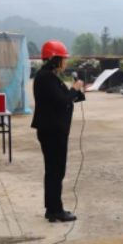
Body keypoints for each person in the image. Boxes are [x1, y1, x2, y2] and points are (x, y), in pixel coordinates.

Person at [32, 40, 85, 223]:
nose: (65, 62)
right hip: (53, 131)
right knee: (56, 171)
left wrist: (76, 91)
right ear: (55, 60)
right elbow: (62, 102)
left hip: (52, 129)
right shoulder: (47, 77)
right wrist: (74, 89)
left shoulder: (48, 76)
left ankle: (52, 209)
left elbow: (63, 98)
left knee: (53, 170)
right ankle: (56, 210)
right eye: (63, 59)